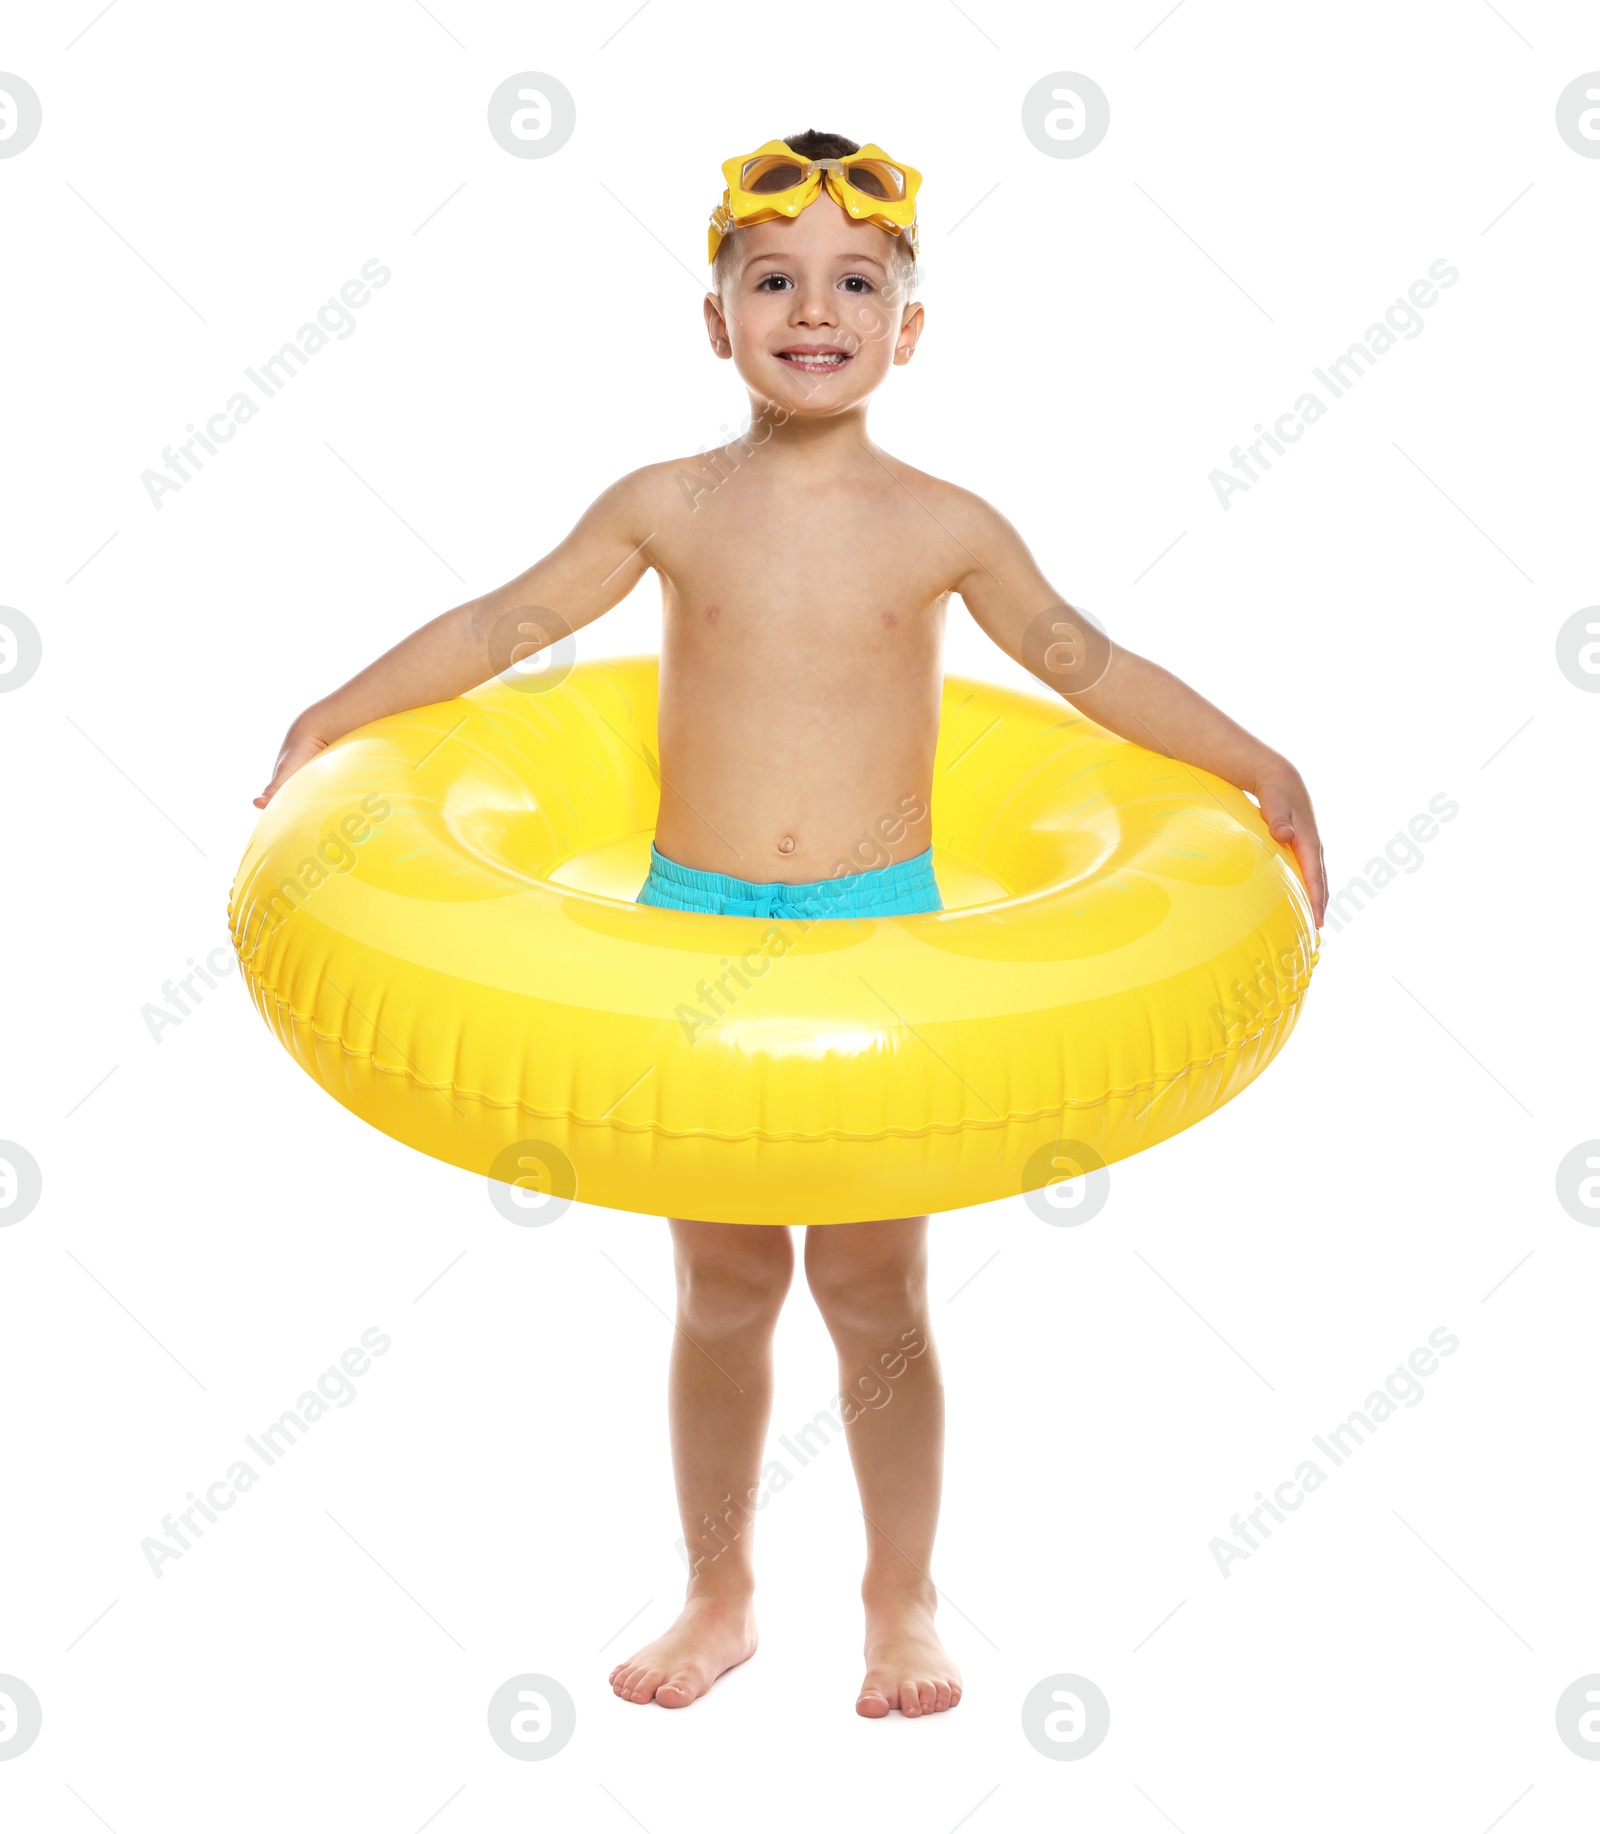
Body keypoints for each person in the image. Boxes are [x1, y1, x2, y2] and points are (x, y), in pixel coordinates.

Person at [254, 129, 1328, 1718]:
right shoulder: (670, 505)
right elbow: (506, 620)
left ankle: (902, 1602)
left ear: (908, 326)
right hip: (691, 931)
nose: (809, 308)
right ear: (716, 320)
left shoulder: (946, 524)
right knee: (726, 1289)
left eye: (853, 282)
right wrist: (333, 713)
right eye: (772, 280)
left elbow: (1088, 669)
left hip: (883, 939)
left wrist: (1256, 761)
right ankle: (719, 1589)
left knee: (877, 1291)